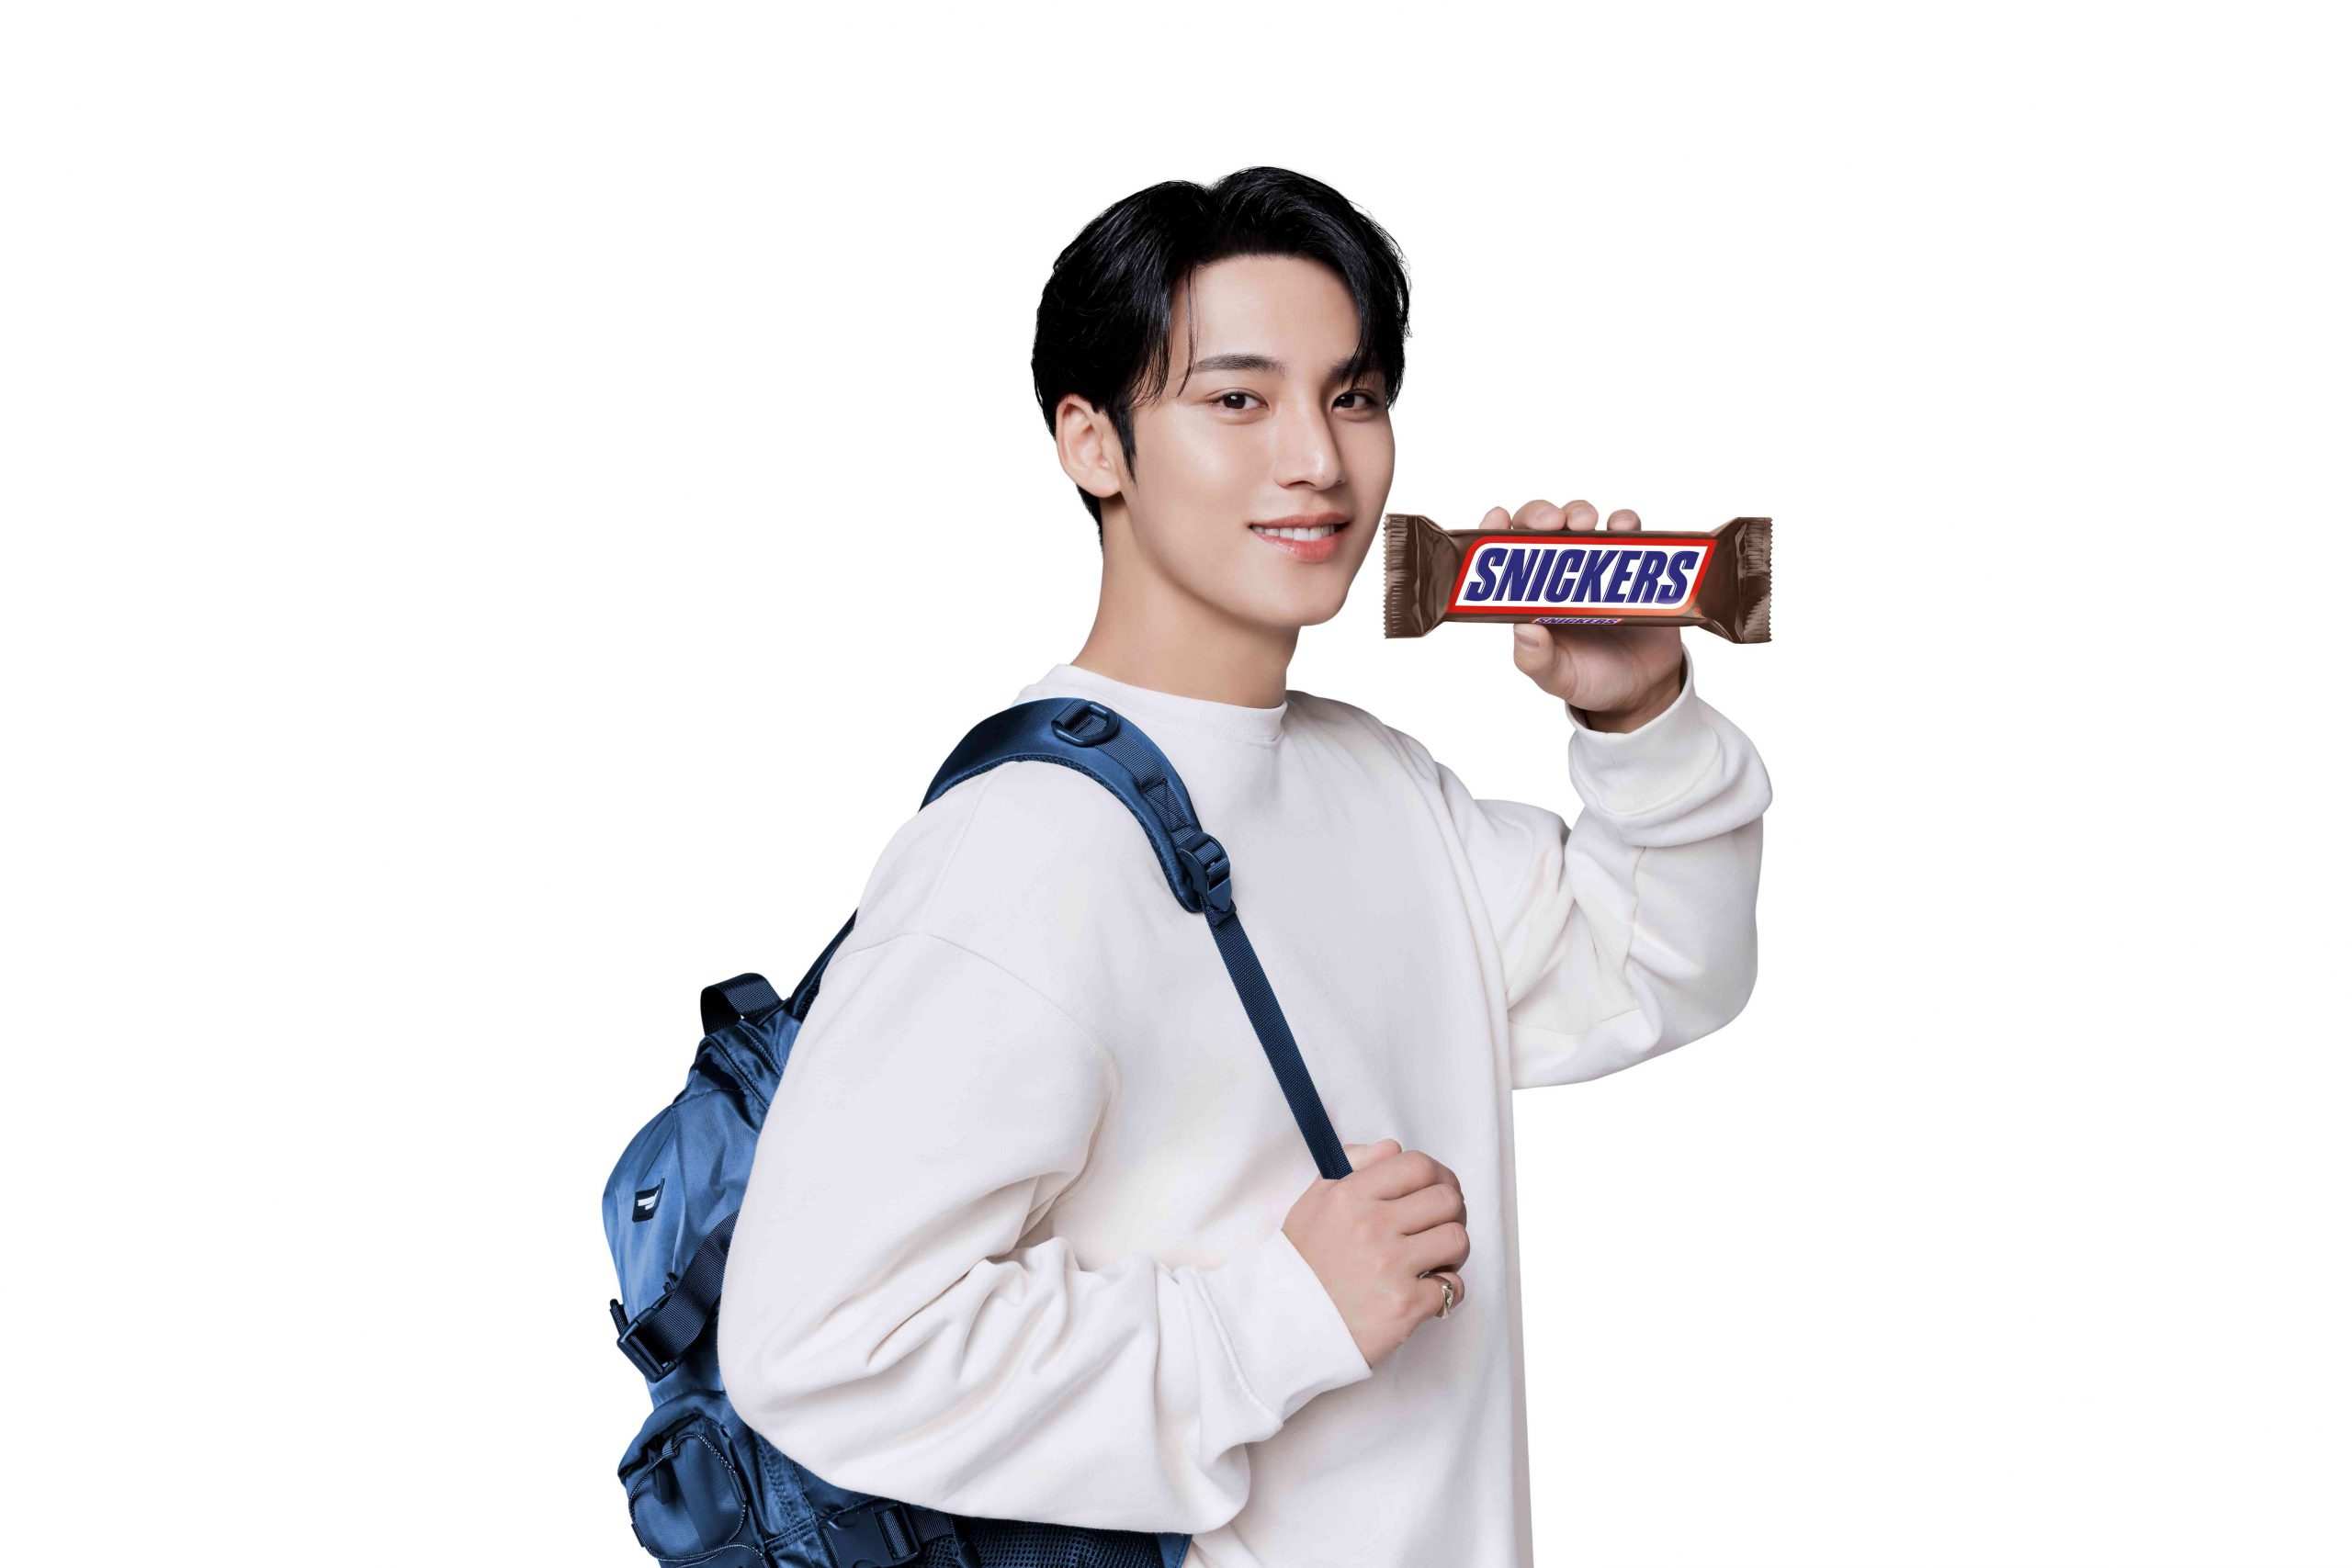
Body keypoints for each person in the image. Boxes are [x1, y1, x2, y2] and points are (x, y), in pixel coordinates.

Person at [716, 165, 1772, 1568]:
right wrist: (1279, 1317)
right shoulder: (1023, 849)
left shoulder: (1376, 780)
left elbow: (1654, 972)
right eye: (1236, 400)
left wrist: (1636, 716)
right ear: (1092, 442)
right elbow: (820, 1344)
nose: (1317, 460)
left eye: (1354, 395)